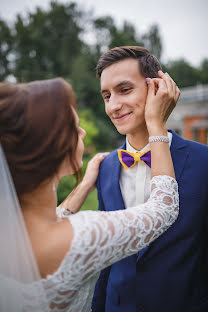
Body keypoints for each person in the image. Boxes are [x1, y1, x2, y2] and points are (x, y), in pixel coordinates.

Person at [0, 76, 179, 312]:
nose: (83, 133)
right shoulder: (83, 236)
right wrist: (157, 123)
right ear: (53, 148)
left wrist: (84, 186)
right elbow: (163, 209)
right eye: (75, 128)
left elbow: (54, 216)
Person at [92, 46, 208, 312]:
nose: (113, 106)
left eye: (124, 90)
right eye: (106, 96)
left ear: (157, 87)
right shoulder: (106, 167)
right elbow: (105, 260)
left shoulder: (204, 162)